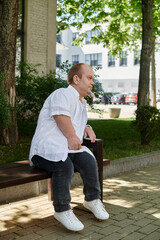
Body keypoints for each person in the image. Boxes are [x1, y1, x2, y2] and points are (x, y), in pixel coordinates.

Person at [29, 63, 109, 231]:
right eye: (89, 78)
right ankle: (62, 209)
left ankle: (93, 199)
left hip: (66, 150)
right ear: (76, 78)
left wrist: (86, 126)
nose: (92, 82)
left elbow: (73, 120)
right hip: (45, 151)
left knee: (88, 160)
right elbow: (60, 115)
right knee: (64, 165)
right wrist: (72, 136)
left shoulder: (81, 103)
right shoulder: (62, 93)